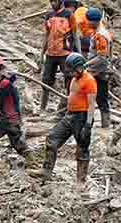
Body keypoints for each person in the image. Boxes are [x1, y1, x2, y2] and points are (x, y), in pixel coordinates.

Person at [41, 53, 97, 181]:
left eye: (72, 70)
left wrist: (88, 125)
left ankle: (81, 181)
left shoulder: (89, 80)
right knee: (52, 138)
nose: (70, 73)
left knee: (82, 148)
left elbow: (92, 104)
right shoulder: (74, 78)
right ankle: (46, 170)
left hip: (82, 117)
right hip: (70, 115)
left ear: (79, 68)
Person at [41, 0, 76, 112]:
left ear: (61, 2)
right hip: (51, 53)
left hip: (65, 53)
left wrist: (77, 53)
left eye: (55, 1)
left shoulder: (69, 15)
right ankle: (42, 108)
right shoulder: (49, 15)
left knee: (69, 80)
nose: (53, 3)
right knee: (46, 81)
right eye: (51, 1)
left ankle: (68, 107)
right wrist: (42, 53)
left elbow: (75, 34)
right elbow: (47, 34)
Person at [85, 8, 113, 128]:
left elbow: (102, 57)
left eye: (89, 21)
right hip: (96, 70)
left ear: (95, 21)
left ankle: (105, 125)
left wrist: (86, 65)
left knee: (101, 99)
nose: (87, 23)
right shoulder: (98, 32)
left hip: (100, 71)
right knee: (92, 98)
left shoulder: (101, 36)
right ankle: (89, 122)